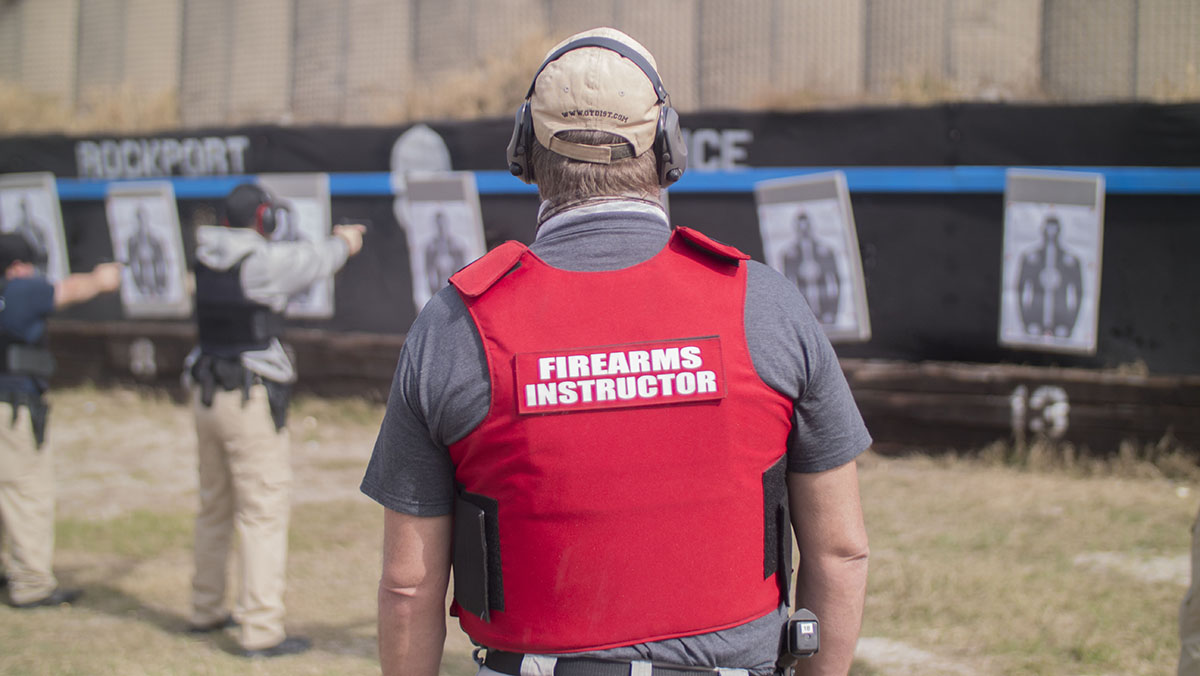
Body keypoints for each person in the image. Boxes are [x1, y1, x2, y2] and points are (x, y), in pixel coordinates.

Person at [361, 27, 870, 676]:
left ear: (524, 152)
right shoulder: (763, 304)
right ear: (668, 149)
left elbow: (409, 585)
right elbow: (841, 551)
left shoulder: (457, 322)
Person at [184, 183, 365, 657]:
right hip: (246, 398)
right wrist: (344, 242)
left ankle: (205, 607)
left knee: (214, 505)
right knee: (261, 511)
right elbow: (313, 262)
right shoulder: (257, 264)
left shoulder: (205, 256)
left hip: (206, 393)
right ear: (262, 219)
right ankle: (261, 629)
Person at [0, 234, 121, 608]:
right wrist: (103, 278)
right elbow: (70, 289)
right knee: (26, 492)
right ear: (18, 266)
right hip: (11, 405)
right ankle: (31, 583)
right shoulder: (22, 289)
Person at [1016, 214, 1083, 338]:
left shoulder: (1070, 260)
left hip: (1061, 319)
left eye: (1054, 229)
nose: (1051, 234)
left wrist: (1070, 322)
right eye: (1048, 229)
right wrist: (1026, 320)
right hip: (1035, 318)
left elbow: (1078, 293)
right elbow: (1020, 290)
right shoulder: (1030, 258)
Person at [782, 210, 841, 325]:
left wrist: (833, 311)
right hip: (804, 315)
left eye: (806, 227)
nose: (804, 231)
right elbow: (786, 287)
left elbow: (835, 283)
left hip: (825, 309)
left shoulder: (825, 251)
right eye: (800, 227)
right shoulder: (789, 254)